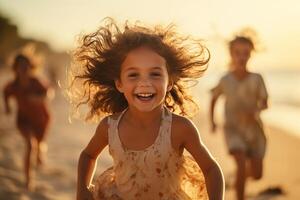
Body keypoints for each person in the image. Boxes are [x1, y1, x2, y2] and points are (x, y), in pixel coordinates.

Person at [73, 18, 224, 200]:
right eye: (133, 75)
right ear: (119, 83)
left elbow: (211, 168)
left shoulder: (180, 128)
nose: (144, 83)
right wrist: (82, 190)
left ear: (170, 82)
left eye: (155, 74)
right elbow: (88, 155)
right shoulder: (110, 127)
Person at [210, 35, 268, 200]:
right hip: (232, 128)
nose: (241, 57)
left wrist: (256, 110)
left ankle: (239, 177)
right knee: (241, 162)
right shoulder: (225, 79)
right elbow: (214, 98)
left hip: (254, 131)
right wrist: (212, 121)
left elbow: (265, 103)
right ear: (231, 54)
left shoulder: (257, 78)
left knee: (257, 175)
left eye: (245, 53)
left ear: (250, 55)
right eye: (237, 53)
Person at [3, 54, 51, 190]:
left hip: (42, 120)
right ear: (15, 68)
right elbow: (5, 92)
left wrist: (39, 98)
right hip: (23, 121)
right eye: (20, 66)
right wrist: (7, 107)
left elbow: (48, 92)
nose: (24, 68)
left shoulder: (36, 82)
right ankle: (29, 179)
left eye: (26, 66)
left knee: (39, 142)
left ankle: (40, 151)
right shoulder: (13, 85)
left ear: (31, 67)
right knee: (30, 145)